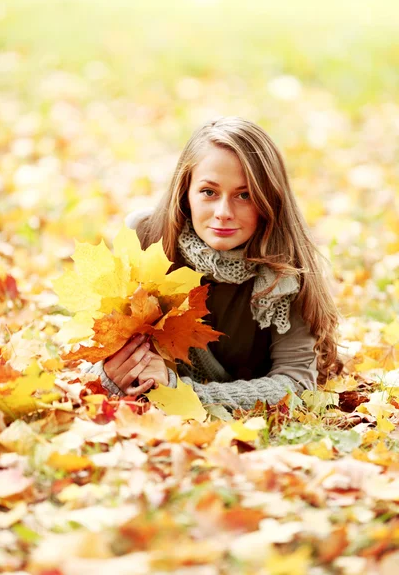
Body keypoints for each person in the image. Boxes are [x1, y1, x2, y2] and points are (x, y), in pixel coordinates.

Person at [85, 116, 343, 413]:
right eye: (209, 192)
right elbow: (95, 359)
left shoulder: (288, 267)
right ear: (186, 192)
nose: (223, 212)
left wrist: (182, 393)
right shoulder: (146, 238)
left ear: (269, 199)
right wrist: (108, 378)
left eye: (244, 195)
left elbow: (296, 386)